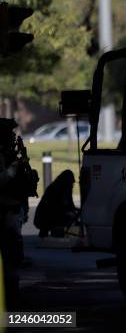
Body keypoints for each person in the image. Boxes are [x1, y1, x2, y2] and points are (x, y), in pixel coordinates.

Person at [0, 118, 29, 308]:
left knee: (14, 257)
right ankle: (10, 298)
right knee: (10, 258)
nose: (13, 136)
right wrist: (14, 167)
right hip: (4, 211)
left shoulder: (11, 153)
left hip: (14, 209)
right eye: (9, 132)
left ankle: (13, 294)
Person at [33, 170, 78, 238]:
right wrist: (68, 213)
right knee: (59, 218)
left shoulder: (65, 190)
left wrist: (74, 212)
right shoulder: (54, 190)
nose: (72, 186)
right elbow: (53, 208)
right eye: (71, 183)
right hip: (45, 217)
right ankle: (55, 234)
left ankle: (53, 234)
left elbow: (70, 206)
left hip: (51, 215)